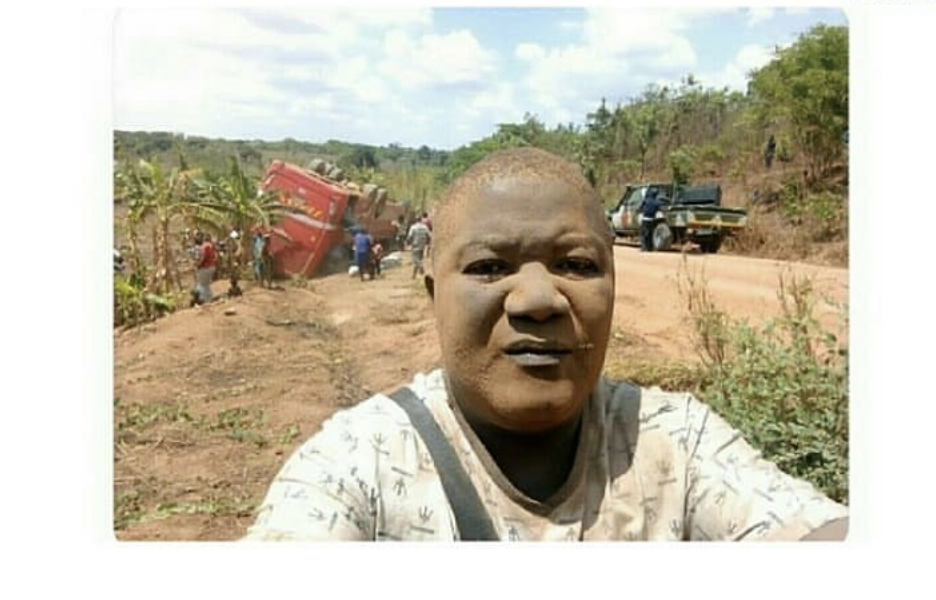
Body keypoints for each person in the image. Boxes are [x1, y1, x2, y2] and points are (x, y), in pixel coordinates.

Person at [244, 147, 847, 542]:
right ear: (433, 294)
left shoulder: (675, 444)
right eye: (488, 267)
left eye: (577, 265)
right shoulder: (357, 467)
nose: (538, 299)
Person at [192, 232, 217, 305]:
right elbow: (215, 256)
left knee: (202, 285)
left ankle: (204, 300)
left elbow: (202, 258)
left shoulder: (203, 247)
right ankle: (210, 298)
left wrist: (197, 264)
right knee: (205, 285)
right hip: (211, 266)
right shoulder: (209, 245)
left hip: (205, 268)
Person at [638, 187, 662, 252]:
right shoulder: (657, 202)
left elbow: (640, 208)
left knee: (643, 234)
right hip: (652, 220)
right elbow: (659, 209)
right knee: (650, 235)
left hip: (645, 219)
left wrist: (642, 210)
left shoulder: (646, 200)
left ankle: (643, 248)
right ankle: (650, 248)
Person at [226, 229, 244, 297]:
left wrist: (236, 258)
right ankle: (234, 285)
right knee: (233, 273)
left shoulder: (237, 242)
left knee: (234, 273)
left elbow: (239, 250)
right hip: (234, 259)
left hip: (235, 259)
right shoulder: (234, 242)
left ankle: (234, 286)